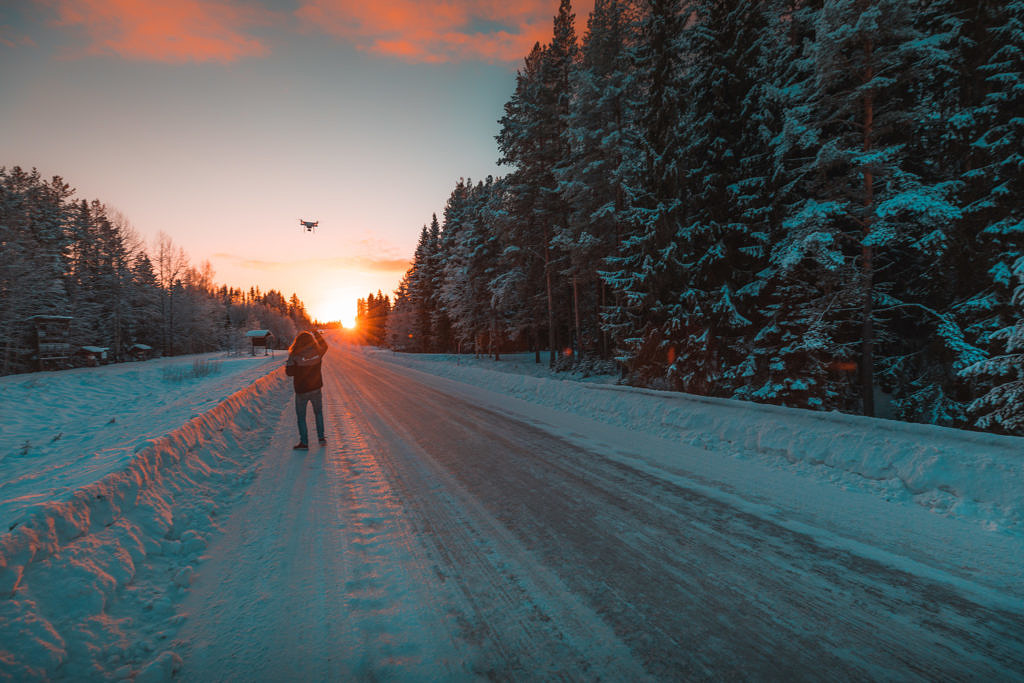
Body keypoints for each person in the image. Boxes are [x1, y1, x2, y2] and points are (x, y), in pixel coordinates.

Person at [285, 329, 328, 449]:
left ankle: (304, 442)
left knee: (301, 417)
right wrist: (317, 334)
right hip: (316, 388)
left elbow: (289, 373)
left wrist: (290, 364)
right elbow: (325, 345)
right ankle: (321, 438)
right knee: (318, 413)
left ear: (297, 342)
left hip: (301, 390)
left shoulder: (294, 355)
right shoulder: (318, 352)